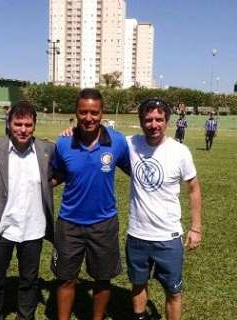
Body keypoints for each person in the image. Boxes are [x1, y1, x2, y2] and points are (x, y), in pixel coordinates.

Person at [52, 88, 131, 320]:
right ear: (76, 113)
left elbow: (132, 169)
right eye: (83, 112)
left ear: (102, 113)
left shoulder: (117, 142)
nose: (89, 118)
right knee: (66, 278)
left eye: (94, 112)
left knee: (102, 278)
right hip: (69, 223)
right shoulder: (63, 143)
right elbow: (58, 174)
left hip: (104, 223)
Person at [126, 98, 203, 320]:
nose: (154, 124)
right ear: (141, 121)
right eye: (148, 119)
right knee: (138, 284)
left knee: (173, 291)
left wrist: (196, 228)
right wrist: (70, 132)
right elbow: (97, 136)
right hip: (137, 234)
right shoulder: (130, 144)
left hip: (168, 238)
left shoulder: (180, 151)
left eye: (159, 119)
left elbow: (194, 189)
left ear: (167, 121)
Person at [0, 101, 55, 320]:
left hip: (33, 227)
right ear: (9, 123)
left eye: (28, 125)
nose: (23, 129)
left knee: (29, 281)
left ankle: (25, 316)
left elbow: (63, 171)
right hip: (2, 227)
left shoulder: (47, 150)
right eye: (18, 124)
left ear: (34, 126)